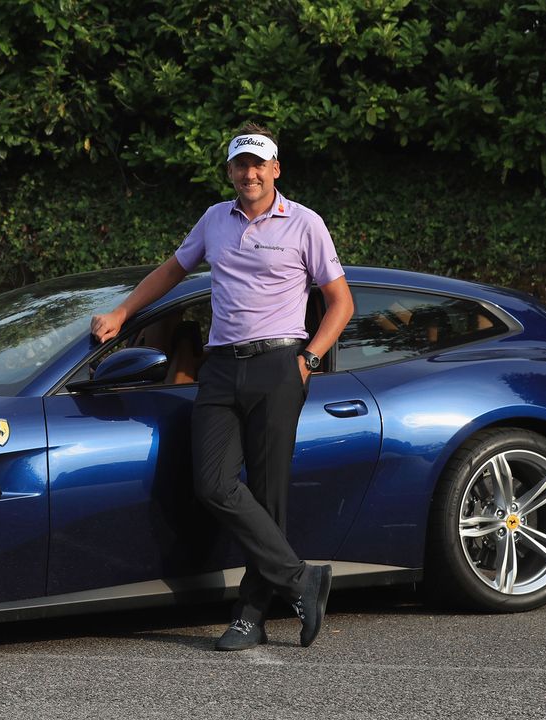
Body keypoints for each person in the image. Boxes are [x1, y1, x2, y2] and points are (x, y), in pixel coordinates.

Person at [90, 123, 354, 650]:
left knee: (268, 493)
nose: (249, 173)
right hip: (220, 368)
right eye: (240, 164)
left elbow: (340, 302)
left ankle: (251, 615)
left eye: (258, 163)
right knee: (212, 483)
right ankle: (301, 578)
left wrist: (307, 359)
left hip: (280, 364)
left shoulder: (305, 223)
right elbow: (172, 270)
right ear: (231, 171)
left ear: (275, 168)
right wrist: (123, 311)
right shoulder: (215, 219)